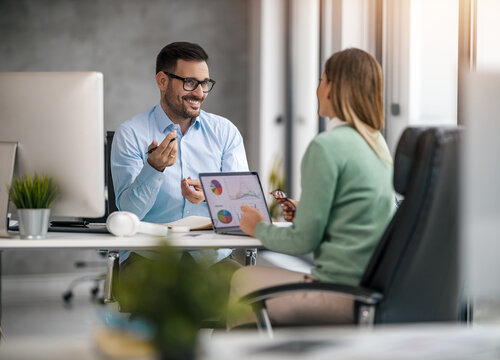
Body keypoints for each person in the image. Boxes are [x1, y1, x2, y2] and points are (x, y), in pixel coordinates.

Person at [228, 48, 396, 327]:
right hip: (369, 293)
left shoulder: (327, 146)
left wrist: (257, 227)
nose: (318, 89)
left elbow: (303, 241)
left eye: (322, 80)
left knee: (242, 277)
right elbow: (357, 218)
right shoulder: (377, 144)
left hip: (337, 293)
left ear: (334, 88)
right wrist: (307, 212)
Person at [111, 42, 248, 275]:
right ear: (162, 81)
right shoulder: (131, 133)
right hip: (149, 258)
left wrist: (211, 196)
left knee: (244, 295)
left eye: (205, 83)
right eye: (190, 83)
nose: (199, 93)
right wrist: (153, 169)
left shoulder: (225, 132)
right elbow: (128, 215)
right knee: (162, 302)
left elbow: (244, 208)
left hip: (211, 259)